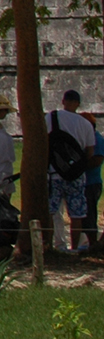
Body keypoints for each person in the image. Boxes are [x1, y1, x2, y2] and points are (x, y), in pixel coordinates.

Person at [47, 89, 97, 253]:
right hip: (76, 175)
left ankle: (48, 246)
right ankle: (74, 248)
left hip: (54, 173)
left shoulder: (51, 118)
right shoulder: (84, 124)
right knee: (76, 214)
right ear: (78, 104)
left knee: (51, 212)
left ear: (63, 101)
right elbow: (89, 152)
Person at [83, 108, 103, 255]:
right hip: (84, 182)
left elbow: (97, 160)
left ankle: (93, 244)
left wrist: (79, 166)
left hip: (92, 182)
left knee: (90, 214)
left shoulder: (97, 139)